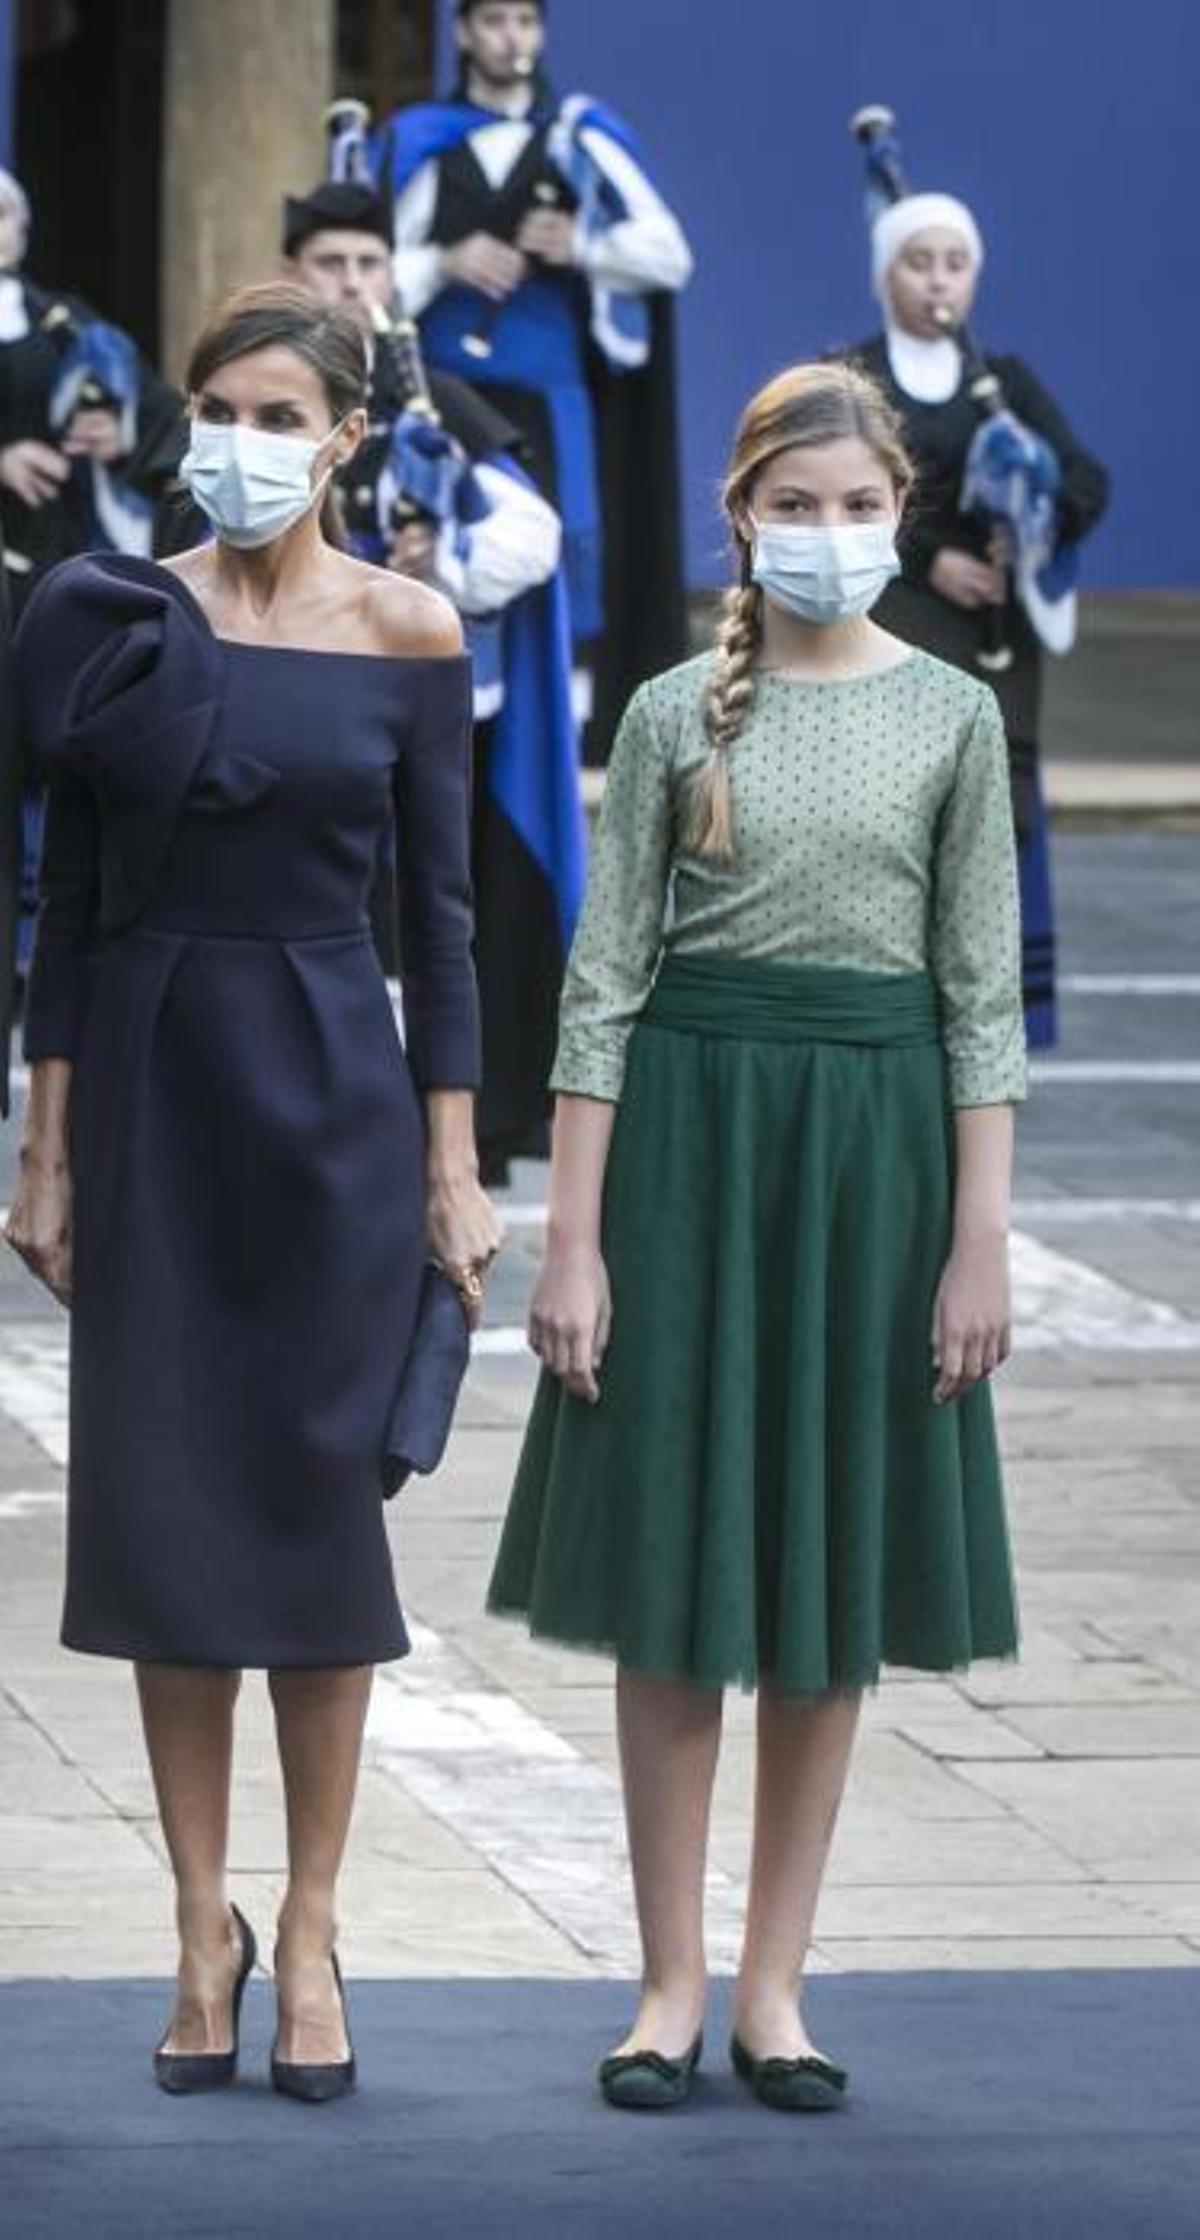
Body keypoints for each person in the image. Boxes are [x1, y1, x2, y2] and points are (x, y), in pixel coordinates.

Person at [488, 363, 1027, 2110]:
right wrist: (570, 1242)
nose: (828, 535)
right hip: (690, 1147)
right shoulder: (666, 717)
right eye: (794, 507)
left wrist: (980, 1243)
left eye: (859, 507)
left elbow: (978, 1001)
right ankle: (665, 1981)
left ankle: (776, 1988)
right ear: (740, 517)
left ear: (901, 514)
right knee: (677, 1578)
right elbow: (602, 985)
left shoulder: (956, 716)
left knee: (822, 1585)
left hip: (873, 1164)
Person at [5, 282, 500, 2103]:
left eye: (282, 412)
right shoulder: (120, 615)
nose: (242, 439)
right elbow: (63, 899)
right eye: (218, 405)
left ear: (349, 438)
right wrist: (42, 1141)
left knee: (308, 1523)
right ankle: (196, 1922)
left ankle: (312, 1926)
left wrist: (454, 1166)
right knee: (164, 1528)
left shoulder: (409, 630)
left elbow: (440, 934)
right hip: (148, 1085)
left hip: (332, 1109)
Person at [283, 172, 585, 1183]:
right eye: (332, 264)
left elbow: (532, 531)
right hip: (295, 721)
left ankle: (451, 1136)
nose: (354, 283)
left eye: (370, 263)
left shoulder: (431, 396)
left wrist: (442, 568)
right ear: (295, 275)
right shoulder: (271, 405)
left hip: (420, 725)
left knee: (429, 929)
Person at [375, 0, 693, 754]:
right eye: (492, 22)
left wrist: (581, 242)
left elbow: (670, 254)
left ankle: (564, 733)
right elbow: (366, 271)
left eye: (525, 21)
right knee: (439, 542)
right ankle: (439, 716)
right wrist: (446, 263)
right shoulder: (419, 140)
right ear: (462, 34)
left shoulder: (579, 136)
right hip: (443, 394)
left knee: (568, 545)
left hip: (553, 394)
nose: (510, 38)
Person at [849, 191, 1109, 1047]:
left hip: (995, 640)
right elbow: (844, 490)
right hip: (900, 621)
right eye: (918, 263)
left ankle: (998, 1013)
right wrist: (930, 559)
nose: (937, 282)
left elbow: (1084, 481)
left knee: (1000, 809)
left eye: (954, 264)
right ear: (886, 273)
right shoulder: (856, 377)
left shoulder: (1006, 384)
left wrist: (1028, 522)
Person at [0, 167, 188, 974]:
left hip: (40, 573)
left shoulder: (65, 323)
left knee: (49, 748)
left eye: (3, 214)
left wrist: (114, 440)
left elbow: (158, 422)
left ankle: (42, 944)